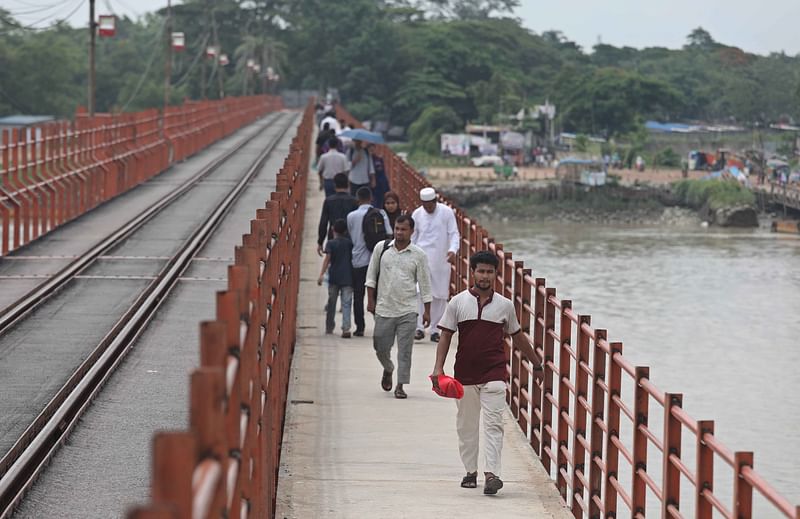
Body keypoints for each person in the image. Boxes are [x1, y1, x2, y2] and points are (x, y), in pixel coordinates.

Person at [430, 251, 542, 495]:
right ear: (473, 272)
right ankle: (470, 471)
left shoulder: (505, 305)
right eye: (480, 271)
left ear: (496, 274)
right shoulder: (458, 302)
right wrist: (439, 369)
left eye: (489, 272)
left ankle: (492, 474)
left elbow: (517, 336)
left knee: (494, 425)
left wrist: (536, 362)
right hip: (465, 375)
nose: (485, 276)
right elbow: (446, 334)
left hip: (495, 373)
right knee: (466, 426)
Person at [366, 215, 432, 399]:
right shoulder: (382, 248)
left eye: (403, 229)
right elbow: (371, 276)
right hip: (384, 307)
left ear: (412, 231)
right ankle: (388, 368)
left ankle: (401, 385)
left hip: (408, 310)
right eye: (397, 228)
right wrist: (370, 300)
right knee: (380, 345)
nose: (399, 232)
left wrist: (427, 311)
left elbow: (425, 284)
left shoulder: (419, 255)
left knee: (405, 350)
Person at [411, 187, 460, 342]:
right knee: (419, 292)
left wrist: (453, 250)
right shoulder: (417, 214)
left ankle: (435, 329)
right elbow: (413, 237)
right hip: (421, 258)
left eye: (430, 205)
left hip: (441, 259)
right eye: (424, 205)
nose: (428, 208)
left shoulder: (446, 212)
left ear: (435, 201)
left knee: (440, 295)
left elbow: (454, 233)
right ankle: (419, 328)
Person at [347, 187, 391, 337]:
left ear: (358, 199)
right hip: (376, 259)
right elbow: (389, 234)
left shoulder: (351, 216)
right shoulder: (381, 214)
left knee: (358, 295)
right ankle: (380, 325)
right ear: (371, 198)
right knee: (378, 294)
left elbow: (351, 236)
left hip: (358, 260)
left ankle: (360, 327)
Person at [317, 219, 354, 338]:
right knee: (346, 303)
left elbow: (327, 259)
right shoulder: (349, 243)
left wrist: (321, 274)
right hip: (348, 276)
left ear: (333, 230)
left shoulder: (331, 243)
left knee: (331, 303)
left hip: (334, 277)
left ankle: (329, 326)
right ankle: (346, 328)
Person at [317, 173, 358, 256]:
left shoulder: (328, 201)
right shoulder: (354, 201)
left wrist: (320, 242)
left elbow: (323, 223)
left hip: (333, 236)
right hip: (350, 237)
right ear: (347, 184)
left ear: (334, 185)